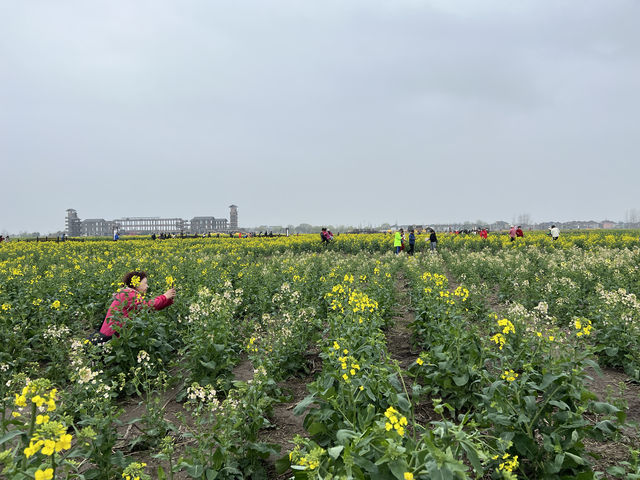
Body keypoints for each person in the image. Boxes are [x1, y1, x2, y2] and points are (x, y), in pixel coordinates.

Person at [95, 271, 176, 343]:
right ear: (136, 283)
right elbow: (146, 307)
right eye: (145, 283)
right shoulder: (129, 294)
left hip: (114, 335)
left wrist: (168, 300)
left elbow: (148, 309)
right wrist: (164, 296)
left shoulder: (129, 293)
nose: (147, 286)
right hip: (110, 338)